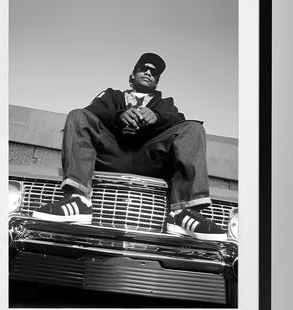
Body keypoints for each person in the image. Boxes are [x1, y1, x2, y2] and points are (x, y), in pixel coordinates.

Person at [32, 52, 226, 241]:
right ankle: (79, 200)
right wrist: (117, 117)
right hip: (112, 152)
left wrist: (157, 117)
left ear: (157, 81)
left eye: (154, 73)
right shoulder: (111, 95)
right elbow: (91, 111)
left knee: (193, 128)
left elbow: (178, 120)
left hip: (149, 157)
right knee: (77, 115)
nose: (149, 72)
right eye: (144, 68)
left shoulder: (166, 103)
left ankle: (182, 212)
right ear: (132, 76)